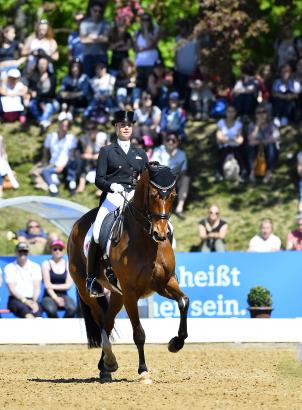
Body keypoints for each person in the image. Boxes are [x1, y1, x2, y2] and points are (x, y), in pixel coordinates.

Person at [86, 110, 148, 297]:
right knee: (96, 233)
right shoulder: (107, 151)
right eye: (122, 125)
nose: (126, 128)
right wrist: (112, 186)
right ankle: (91, 279)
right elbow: (99, 179)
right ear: (116, 127)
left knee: (158, 225)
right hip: (113, 196)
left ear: (132, 127)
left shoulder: (140, 153)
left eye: (128, 125)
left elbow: (145, 179)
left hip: (133, 197)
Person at [151, 131, 189, 218]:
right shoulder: (158, 151)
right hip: (159, 180)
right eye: (168, 140)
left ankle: (179, 208)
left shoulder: (181, 154)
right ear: (165, 141)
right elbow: (153, 167)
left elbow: (183, 172)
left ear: (177, 142)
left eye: (173, 140)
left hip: (175, 180)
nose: (170, 142)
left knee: (186, 179)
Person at [4, 242, 42, 318]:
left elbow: (37, 287)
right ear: (16, 252)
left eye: (25, 251)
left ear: (28, 253)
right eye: (20, 251)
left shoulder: (35, 267)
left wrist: (34, 302)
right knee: (29, 316)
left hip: (32, 300)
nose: (22, 254)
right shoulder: (9, 267)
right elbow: (12, 290)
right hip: (15, 300)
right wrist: (25, 301)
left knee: (38, 317)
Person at [41, 117, 78, 196]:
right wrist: (46, 162)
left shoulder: (71, 138)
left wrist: (63, 165)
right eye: (62, 125)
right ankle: (53, 189)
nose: (64, 128)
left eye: (66, 126)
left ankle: (72, 186)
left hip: (66, 164)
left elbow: (72, 154)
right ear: (59, 125)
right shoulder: (51, 136)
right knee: (45, 171)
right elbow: (46, 150)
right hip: (54, 164)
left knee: (72, 164)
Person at [41, 239, 76, 318]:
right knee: (51, 310)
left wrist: (51, 285)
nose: (57, 251)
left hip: (63, 295)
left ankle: (64, 327)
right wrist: (56, 298)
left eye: (60, 249)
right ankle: (56, 328)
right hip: (49, 295)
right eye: (55, 249)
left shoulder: (67, 264)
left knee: (72, 309)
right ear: (51, 250)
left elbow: (68, 286)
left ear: (63, 251)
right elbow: (47, 286)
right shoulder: (46, 264)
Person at [247, 103, 280, 184]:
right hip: (257, 150)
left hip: (268, 150)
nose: (261, 115)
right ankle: (252, 172)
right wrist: (257, 126)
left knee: (271, 146)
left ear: (267, 114)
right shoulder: (252, 125)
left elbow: (276, 138)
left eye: (263, 112)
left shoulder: (272, 125)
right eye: (258, 112)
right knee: (250, 147)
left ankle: (269, 172)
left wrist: (261, 141)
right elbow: (250, 139)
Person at [80, 2, 110, 78]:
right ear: (91, 10)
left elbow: (106, 39)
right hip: (88, 56)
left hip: (101, 56)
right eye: (95, 10)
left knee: (102, 79)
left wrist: (90, 37)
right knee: (86, 78)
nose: (97, 13)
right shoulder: (84, 23)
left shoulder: (105, 23)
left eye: (100, 11)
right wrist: (99, 37)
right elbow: (83, 40)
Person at [215, 104, 244, 181]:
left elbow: (240, 139)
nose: (230, 114)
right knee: (222, 154)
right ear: (225, 112)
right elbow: (218, 138)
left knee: (239, 154)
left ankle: (242, 173)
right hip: (224, 146)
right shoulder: (221, 123)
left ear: (235, 113)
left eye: (232, 112)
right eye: (228, 111)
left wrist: (226, 139)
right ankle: (219, 172)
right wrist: (233, 139)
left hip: (235, 146)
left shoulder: (238, 124)